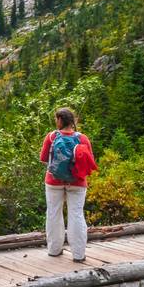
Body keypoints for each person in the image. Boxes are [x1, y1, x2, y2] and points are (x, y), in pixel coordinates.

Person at [40, 107, 96, 262]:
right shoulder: (83, 138)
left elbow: (44, 158)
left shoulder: (51, 137)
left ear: (59, 120)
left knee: (53, 213)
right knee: (76, 215)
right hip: (77, 182)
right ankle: (78, 254)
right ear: (73, 121)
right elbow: (90, 161)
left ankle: (54, 250)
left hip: (53, 181)